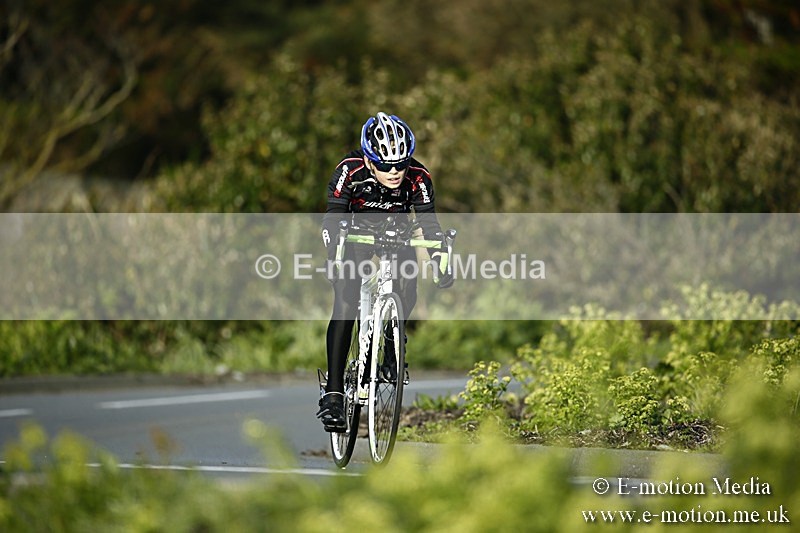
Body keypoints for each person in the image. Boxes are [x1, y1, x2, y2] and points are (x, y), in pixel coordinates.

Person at [317, 111, 453, 432]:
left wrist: (440, 263)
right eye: (385, 165)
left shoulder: (419, 177)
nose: (394, 172)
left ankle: (393, 343)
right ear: (368, 158)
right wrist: (335, 252)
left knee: (408, 286)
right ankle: (334, 394)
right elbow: (333, 217)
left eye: (401, 164)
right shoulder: (348, 172)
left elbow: (430, 226)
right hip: (354, 237)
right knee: (346, 302)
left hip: (396, 236)